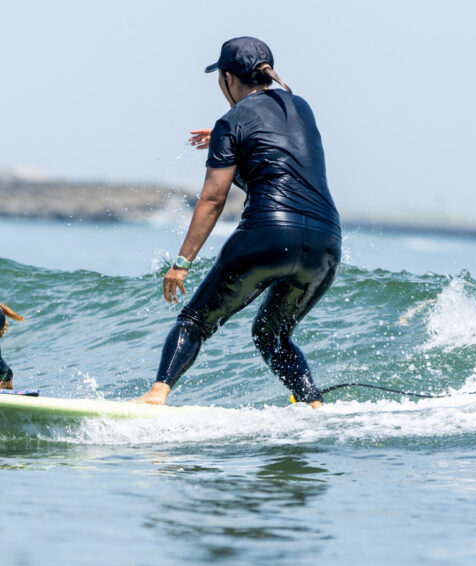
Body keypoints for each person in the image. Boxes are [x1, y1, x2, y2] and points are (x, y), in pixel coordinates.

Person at [136, 36, 342, 408]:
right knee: (272, 335)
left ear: (228, 78)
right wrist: (225, 137)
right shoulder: (302, 107)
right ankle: (314, 405)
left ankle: (157, 394)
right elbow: (282, 157)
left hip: (267, 234)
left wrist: (181, 265)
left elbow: (213, 199)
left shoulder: (230, 120)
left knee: (194, 322)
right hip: (326, 242)